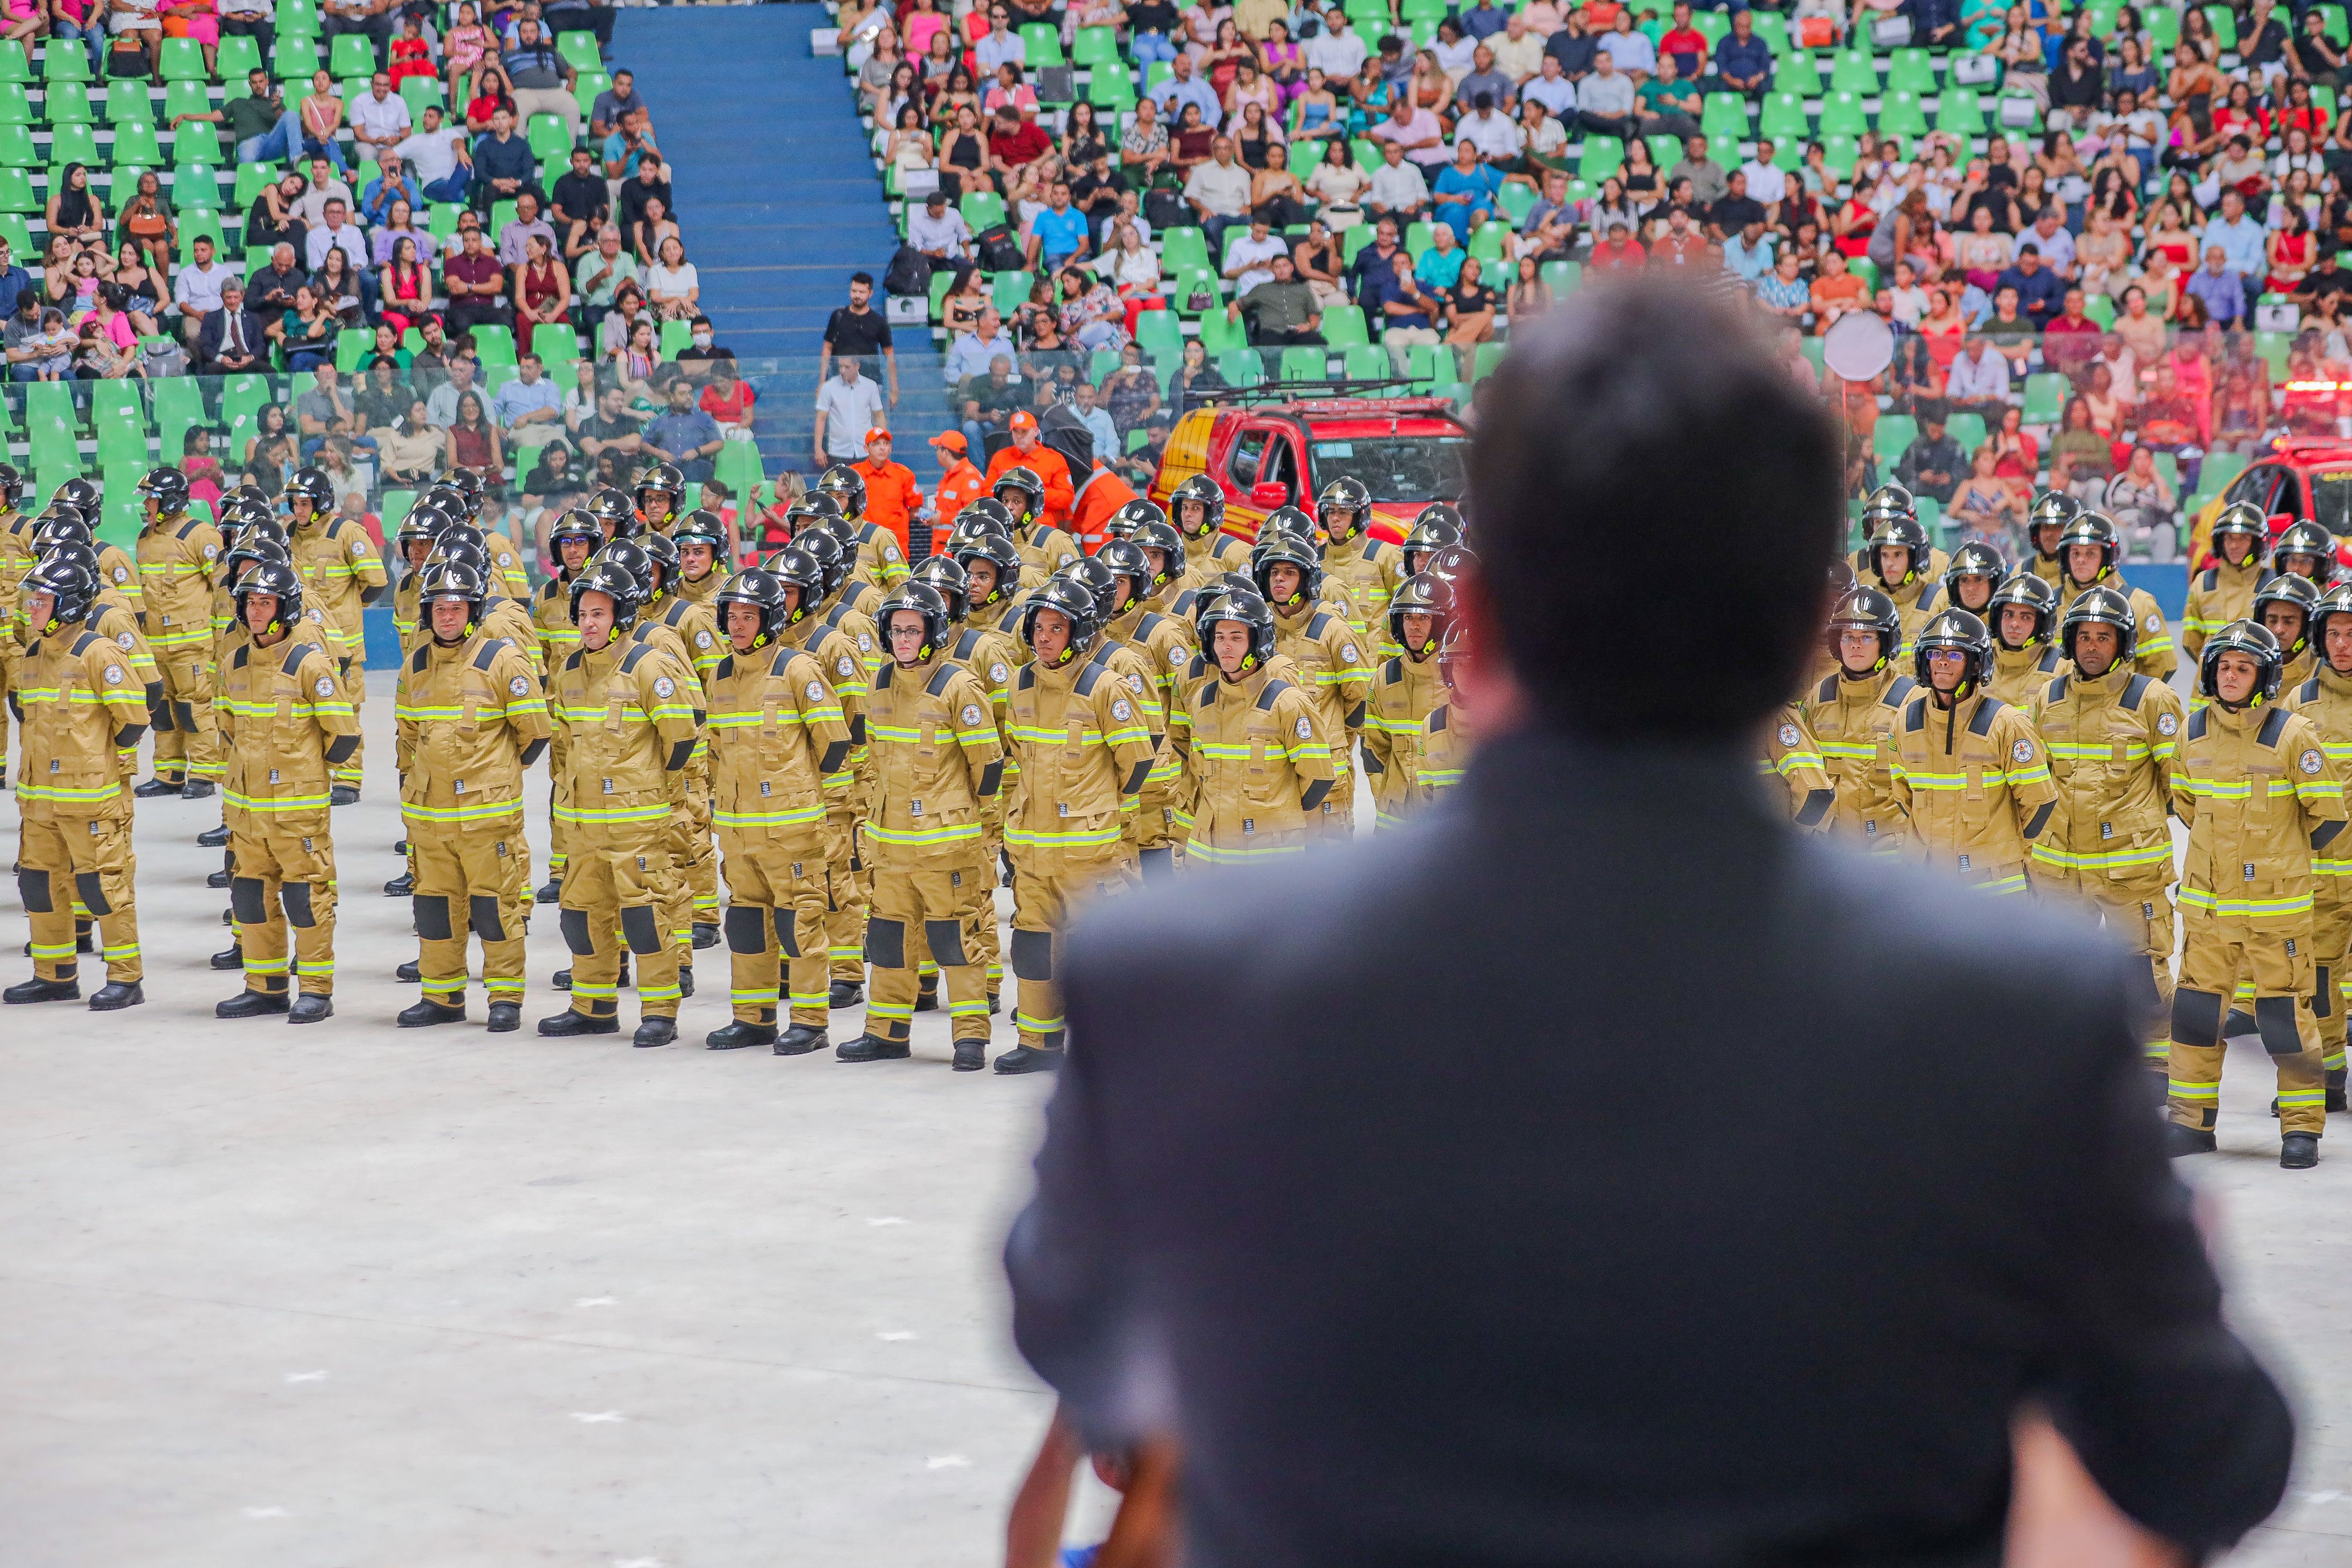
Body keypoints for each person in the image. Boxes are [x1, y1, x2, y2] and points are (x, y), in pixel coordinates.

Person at [1007, 282, 2299, 1566]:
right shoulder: (2024, 1009)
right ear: (1808, 633)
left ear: (1469, 622)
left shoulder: (1174, 977)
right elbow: (2208, 1462)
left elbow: (1079, 1347)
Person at [2167, 619, 2346, 1166]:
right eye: (2223, 666)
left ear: (2264, 675)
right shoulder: (2191, 733)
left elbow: (2329, 816)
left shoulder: (2292, 735)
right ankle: (2192, 1123)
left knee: (2287, 1022)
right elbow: (2186, 806)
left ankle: (2301, 1129)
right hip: (2208, 913)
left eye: (2243, 668)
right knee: (2196, 1019)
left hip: (2278, 916)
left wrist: (2278, 864)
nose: (2231, 676)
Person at [837, 579, 1004, 1068]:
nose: (903, 639)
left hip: (946, 848)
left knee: (957, 940)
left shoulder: (958, 685)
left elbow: (988, 766)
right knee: (889, 939)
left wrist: (975, 828)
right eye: (895, 630)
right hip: (890, 846)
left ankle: (970, 1037)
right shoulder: (880, 683)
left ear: (934, 632)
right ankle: (886, 1031)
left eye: (913, 630)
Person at [996, 574, 1155, 1073]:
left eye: (1056, 628)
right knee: (1034, 945)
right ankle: (1038, 1044)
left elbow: (1139, 762)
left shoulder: (1106, 687)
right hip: (1033, 851)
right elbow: (1016, 753)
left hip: (1090, 852)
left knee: (1100, 949)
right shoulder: (1020, 685)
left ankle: (1112, 1046)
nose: (1044, 637)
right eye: (1039, 627)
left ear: (1080, 633)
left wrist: (1097, 810)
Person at [540, 556, 698, 1046]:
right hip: (582, 826)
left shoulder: (649, 666)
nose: (589, 623)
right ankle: (593, 1005)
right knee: (581, 917)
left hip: (638, 826)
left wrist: (653, 797)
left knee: (646, 917)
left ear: (622, 616)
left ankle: (659, 1013)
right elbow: (563, 745)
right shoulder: (566, 671)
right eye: (583, 613)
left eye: (599, 614)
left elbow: (683, 739)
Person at [2032, 586, 2189, 1075]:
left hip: (2131, 870)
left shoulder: (2153, 699)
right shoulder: (2048, 697)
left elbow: (2178, 785)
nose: (2093, 647)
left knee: (2143, 970)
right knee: (2060, 973)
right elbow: (2033, 781)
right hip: (2060, 868)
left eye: (2104, 637)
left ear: (2123, 643)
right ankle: (2069, 1065)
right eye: (2084, 637)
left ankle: (2157, 1067)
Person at [3, 549, 150, 1012]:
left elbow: (133, 721)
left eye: (40, 600)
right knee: (39, 887)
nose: (30, 608)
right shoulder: (31, 656)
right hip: (39, 804)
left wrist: (95, 768)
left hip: (90, 801)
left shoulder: (99, 653)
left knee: (102, 888)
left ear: (66, 605)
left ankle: (126, 980)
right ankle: (54, 975)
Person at [212, 556, 356, 1024]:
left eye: (265, 603)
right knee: (251, 897)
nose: (255, 612)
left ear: (286, 608)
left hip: (298, 813)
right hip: (246, 813)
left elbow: (344, 735)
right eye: (250, 603)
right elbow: (227, 725)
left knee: (305, 898)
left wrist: (305, 777)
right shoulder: (233, 662)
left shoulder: (309, 664)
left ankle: (315, 989)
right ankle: (265, 986)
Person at [281, 466, 386, 802]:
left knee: (345, 711)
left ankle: (348, 781)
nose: (299, 511)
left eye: (305, 504)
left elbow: (376, 583)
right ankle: (312, 777)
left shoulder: (347, 533)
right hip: (300, 647)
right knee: (305, 714)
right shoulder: (290, 537)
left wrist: (345, 616)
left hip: (344, 649)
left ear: (322, 503)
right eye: (295, 504)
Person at [127, 466, 223, 798]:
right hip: (156, 646)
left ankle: (204, 775)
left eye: (151, 499)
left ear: (168, 501)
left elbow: (223, 590)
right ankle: (169, 773)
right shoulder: (145, 539)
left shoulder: (201, 536)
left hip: (191, 645)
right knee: (163, 712)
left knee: (195, 709)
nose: (146, 506)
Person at [2185, 502, 2276, 661]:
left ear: (2257, 543)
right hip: (2210, 682)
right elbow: (2191, 641)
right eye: (2229, 538)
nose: (2234, 545)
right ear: (2220, 542)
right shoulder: (2204, 583)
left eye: (2243, 538)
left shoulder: (2273, 585)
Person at [819, 270, 898, 409]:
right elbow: (827, 348)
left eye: (862, 292)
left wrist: (894, 390)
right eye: (854, 291)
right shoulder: (838, 317)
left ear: (870, 293)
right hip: (840, 380)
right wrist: (822, 382)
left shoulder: (879, 322)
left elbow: (889, 355)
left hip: (870, 381)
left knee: (870, 427)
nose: (857, 296)